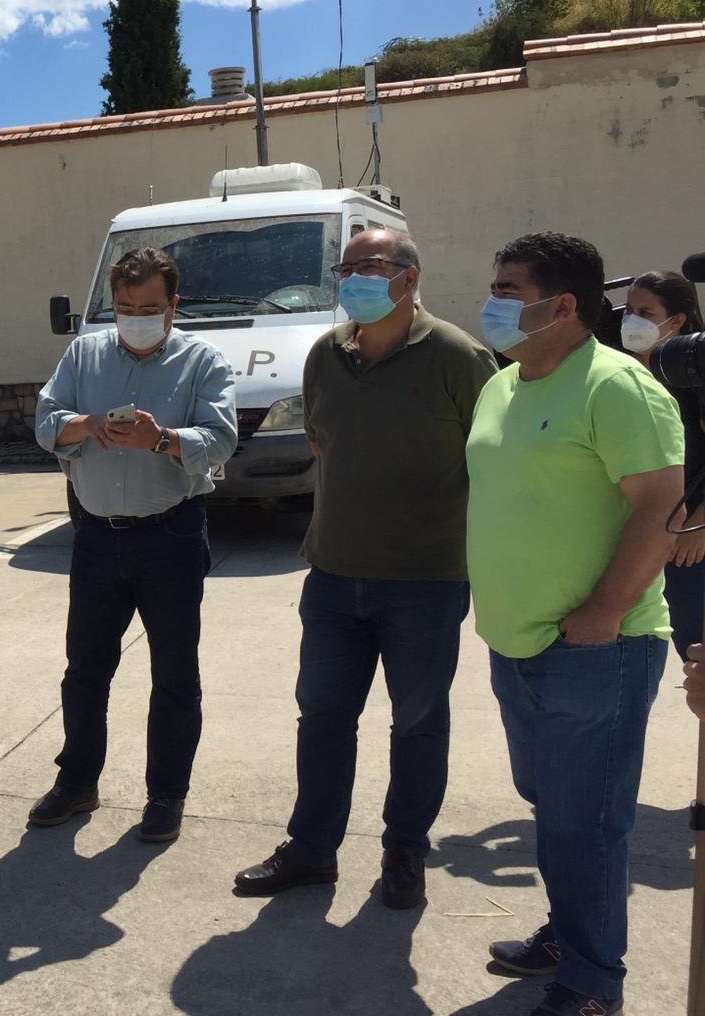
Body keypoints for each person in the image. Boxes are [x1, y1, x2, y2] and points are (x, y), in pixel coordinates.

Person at [234, 230, 497, 908]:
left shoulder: (460, 357)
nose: (352, 279)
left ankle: (405, 852)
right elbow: (323, 439)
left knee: (416, 722)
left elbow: (493, 461)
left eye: (369, 268)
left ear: (409, 278)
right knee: (321, 716)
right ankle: (313, 851)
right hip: (332, 575)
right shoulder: (327, 353)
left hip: (426, 581)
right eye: (344, 269)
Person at [467, 233, 683, 1016]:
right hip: (518, 643)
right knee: (554, 807)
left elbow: (663, 507)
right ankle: (568, 932)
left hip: (599, 650)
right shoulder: (505, 384)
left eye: (507, 289)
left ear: (563, 305)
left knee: (587, 821)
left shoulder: (618, 387)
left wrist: (602, 614)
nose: (491, 303)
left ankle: (593, 986)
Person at [32, 247, 237, 843]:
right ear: (112, 305)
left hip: (169, 534)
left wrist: (161, 439)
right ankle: (77, 783)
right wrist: (87, 425)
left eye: (150, 307)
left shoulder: (202, 360)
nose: (136, 316)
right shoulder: (84, 353)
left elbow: (220, 440)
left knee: (174, 673)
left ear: (173, 305)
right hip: (97, 536)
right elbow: (47, 423)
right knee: (85, 670)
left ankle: (166, 795)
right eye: (125, 306)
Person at [620, 271, 705, 660]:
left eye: (646, 312)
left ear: (678, 321)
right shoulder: (622, 373)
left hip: (691, 546)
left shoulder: (695, 375)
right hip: (645, 541)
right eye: (629, 311)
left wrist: (700, 523)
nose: (632, 321)